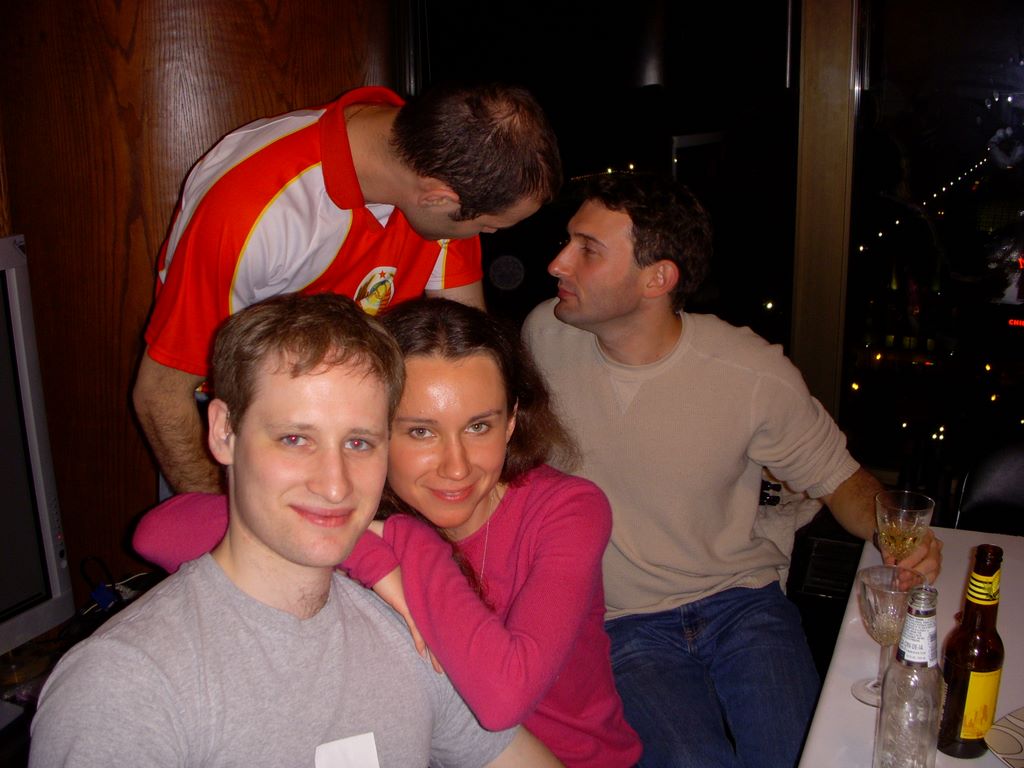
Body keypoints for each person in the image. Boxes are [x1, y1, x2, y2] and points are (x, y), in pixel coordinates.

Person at [519, 172, 944, 768]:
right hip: (622, 621)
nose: (558, 263)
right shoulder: (545, 334)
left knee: (798, 755)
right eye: (569, 241)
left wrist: (899, 535)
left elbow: (841, 480)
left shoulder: (750, 373)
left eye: (587, 249)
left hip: (741, 603)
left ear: (657, 278)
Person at [30, 293, 561, 768]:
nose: (334, 485)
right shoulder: (124, 685)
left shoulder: (403, 631)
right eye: (295, 439)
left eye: (358, 443)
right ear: (224, 432)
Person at [132, 298, 642, 767]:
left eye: (479, 426)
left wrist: (404, 548)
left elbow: (504, 698)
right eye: (420, 431)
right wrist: (367, 548)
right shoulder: (359, 499)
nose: (456, 466)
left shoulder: (567, 510)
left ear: (511, 423)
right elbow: (158, 532)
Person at [133, 81, 562, 495]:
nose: (487, 235)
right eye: (487, 226)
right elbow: (161, 395)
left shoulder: (446, 165)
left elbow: (466, 361)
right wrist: (217, 519)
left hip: (359, 421)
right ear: (437, 198)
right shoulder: (247, 210)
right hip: (242, 423)